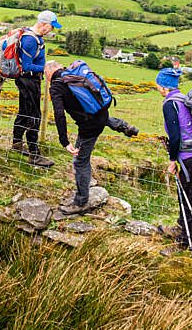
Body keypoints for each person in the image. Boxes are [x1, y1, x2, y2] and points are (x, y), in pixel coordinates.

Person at [44, 61, 139, 215]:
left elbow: (59, 114)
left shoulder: (56, 87)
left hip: (89, 126)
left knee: (80, 161)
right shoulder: (74, 73)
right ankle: (122, 125)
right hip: (102, 113)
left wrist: (65, 141)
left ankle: (81, 202)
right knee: (100, 120)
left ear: (48, 74)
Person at [155, 67, 192, 248]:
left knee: (189, 196)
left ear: (163, 86)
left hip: (188, 157)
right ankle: (182, 227)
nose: (157, 88)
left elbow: (175, 136)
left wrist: (172, 160)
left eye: (158, 85)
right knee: (189, 193)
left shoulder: (170, 104)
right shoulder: (183, 99)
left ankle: (187, 240)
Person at [12, 10, 61, 168]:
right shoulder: (30, 40)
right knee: (34, 116)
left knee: (24, 112)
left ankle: (17, 143)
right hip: (28, 81)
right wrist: (45, 68)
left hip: (28, 80)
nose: (51, 30)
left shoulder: (34, 37)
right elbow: (26, 66)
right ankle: (34, 154)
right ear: (43, 24)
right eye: (51, 27)